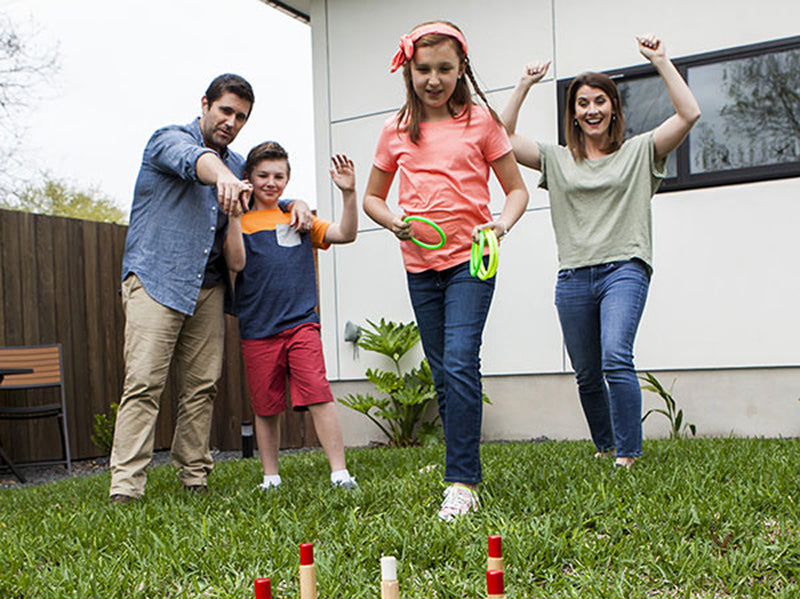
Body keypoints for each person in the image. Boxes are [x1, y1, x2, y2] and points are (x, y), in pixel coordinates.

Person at [109, 74, 311, 503]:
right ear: (205, 104)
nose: (231, 122)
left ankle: (194, 476)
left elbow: (268, 193)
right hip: (157, 280)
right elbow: (195, 160)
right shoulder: (167, 140)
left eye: (241, 116)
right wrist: (222, 175)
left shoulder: (239, 164)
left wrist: (299, 205)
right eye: (225, 111)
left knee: (202, 387)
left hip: (210, 288)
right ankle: (126, 487)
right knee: (144, 382)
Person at [501, 35, 701, 468]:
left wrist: (661, 61)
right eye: (582, 103)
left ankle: (627, 454)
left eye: (599, 101)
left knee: (615, 356)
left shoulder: (638, 152)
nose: (591, 110)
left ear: (613, 107)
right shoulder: (556, 159)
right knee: (588, 373)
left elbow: (689, 113)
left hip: (624, 268)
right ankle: (605, 445)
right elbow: (502, 138)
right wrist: (523, 85)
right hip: (573, 275)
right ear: (572, 113)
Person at [363, 21, 529, 520]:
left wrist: (501, 223)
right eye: (424, 69)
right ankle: (457, 463)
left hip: (471, 262)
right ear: (409, 71)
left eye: (444, 69)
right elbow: (373, 198)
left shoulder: (481, 123)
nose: (433, 79)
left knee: (459, 361)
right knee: (443, 374)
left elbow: (516, 189)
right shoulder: (396, 130)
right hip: (421, 266)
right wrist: (393, 220)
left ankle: (462, 482)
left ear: (462, 71)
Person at [224, 141, 358, 491]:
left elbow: (346, 234)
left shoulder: (298, 216)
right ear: (249, 178)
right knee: (266, 407)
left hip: (301, 325)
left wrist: (348, 193)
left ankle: (340, 473)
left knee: (319, 394)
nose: (271, 182)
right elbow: (236, 263)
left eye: (279, 176)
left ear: (288, 178)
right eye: (263, 175)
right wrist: (234, 218)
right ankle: (271, 477)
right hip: (257, 330)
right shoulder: (238, 221)